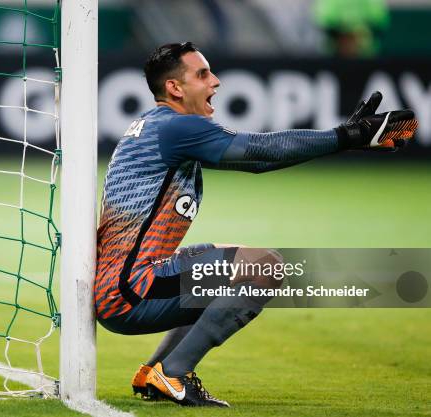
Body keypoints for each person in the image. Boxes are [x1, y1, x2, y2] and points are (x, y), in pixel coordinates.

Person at [94, 42, 417, 407]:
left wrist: (340, 141)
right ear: (175, 88)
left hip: (121, 284)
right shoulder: (176, 128)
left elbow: (258, 159)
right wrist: (346, 136)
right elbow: (259, 152)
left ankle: (155, 373)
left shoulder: (157, 127)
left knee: (220, 254)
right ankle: (175, 372)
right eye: (202, 74)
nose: (215, 81)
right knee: (264, 266)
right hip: (130, 292)